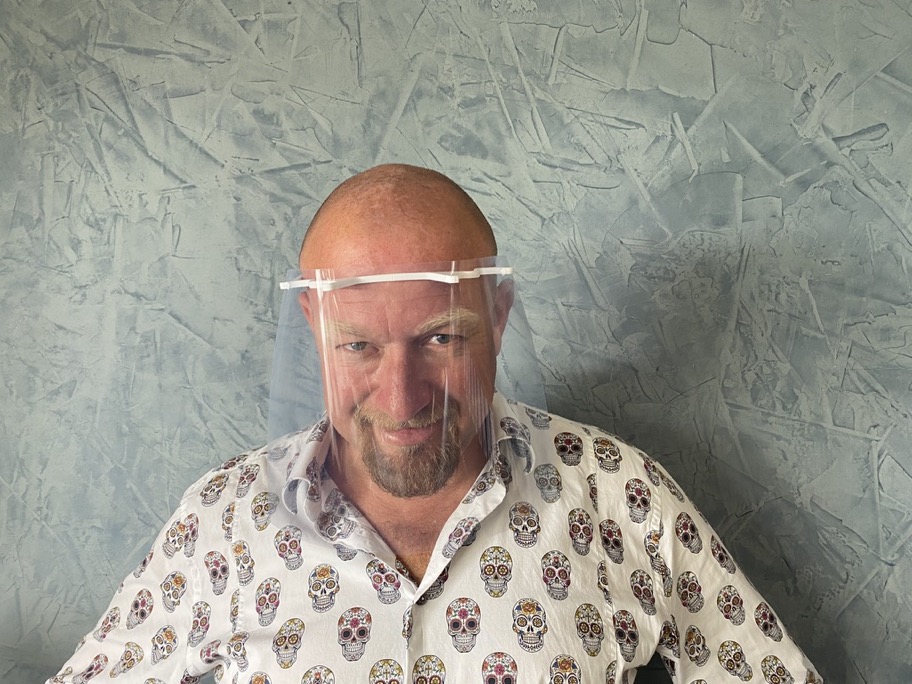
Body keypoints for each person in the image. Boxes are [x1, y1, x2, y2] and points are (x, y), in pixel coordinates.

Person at [49, 164, 822, 684]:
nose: (402, 397)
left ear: (499, 315)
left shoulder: (618, 495)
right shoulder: (224, 521)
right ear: (313, 325)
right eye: (358, 346)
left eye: (442, 338)